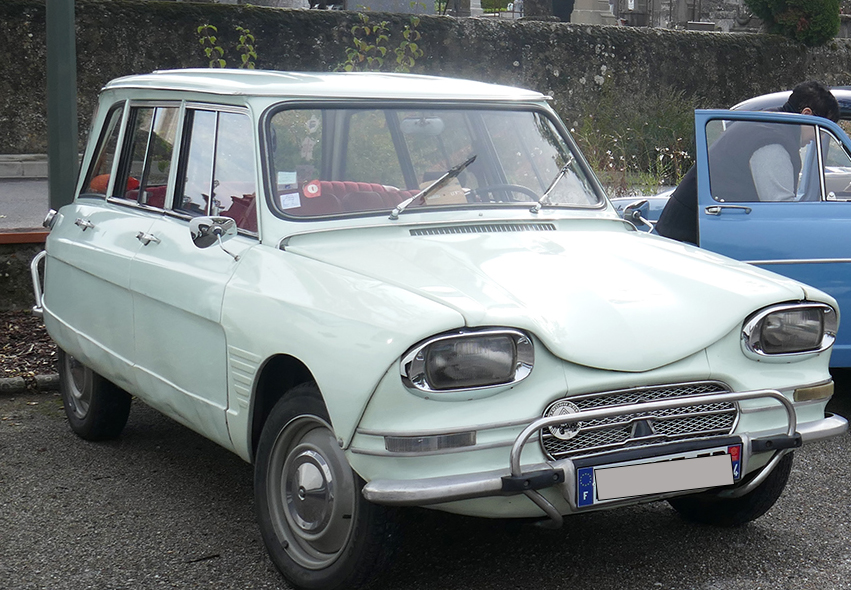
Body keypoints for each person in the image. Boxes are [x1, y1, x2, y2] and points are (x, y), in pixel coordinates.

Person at [655, 81, 840, 245]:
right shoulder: (772, 141)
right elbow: (781, 211)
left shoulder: (767, 122)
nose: (819, 138)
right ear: (806, 114)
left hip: (688, 230)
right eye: (820, 130)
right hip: (690, 239)